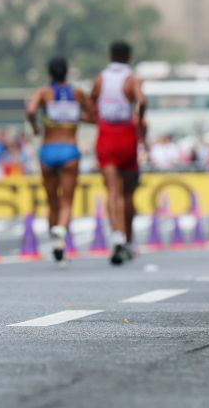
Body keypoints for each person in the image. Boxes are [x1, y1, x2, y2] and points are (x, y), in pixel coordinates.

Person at [25, 57, 93, 263]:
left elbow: (30, 110)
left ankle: (55, 242)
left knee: (51, 200)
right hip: (69, 150)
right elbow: (95, 116)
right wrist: (75, 117)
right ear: (67, 72)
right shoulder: (77, 93)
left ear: (49, 73)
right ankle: (61, 231)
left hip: (48, 149)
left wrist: (36, 127)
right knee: (66, 201)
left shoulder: (44, 93)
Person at [90, 40, 147, 266]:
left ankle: (117, 234)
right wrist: (139, 119)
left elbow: (90, 101)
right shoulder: (132, 79)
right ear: (129, 57)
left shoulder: (100, 78)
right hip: (126, 133)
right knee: (128, 192)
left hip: (106, 133)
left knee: (112, 191)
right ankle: (129, 240)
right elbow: (142, 100)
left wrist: (97, 118)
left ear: (109, 55)